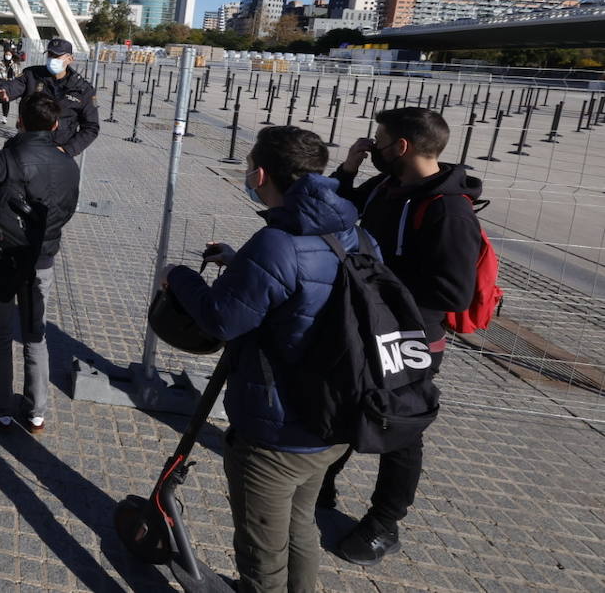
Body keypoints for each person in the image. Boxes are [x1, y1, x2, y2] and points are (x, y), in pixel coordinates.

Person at [164, 126, 359, 593]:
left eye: (250, 165)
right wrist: (241, 264)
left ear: (262, 173)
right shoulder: (348, 229)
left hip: (278, 431)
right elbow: (306, 289)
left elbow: (221, 320)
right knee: (300, 528)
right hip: (331, 419)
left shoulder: (277, 241)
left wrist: (179, 277)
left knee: (262, 553)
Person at [321, 107, 482, 566]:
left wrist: (377, 279)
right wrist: (349, 168)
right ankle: (323, 484)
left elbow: (453, 290)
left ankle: (384, 523)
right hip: (366, 325)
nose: (375, 148)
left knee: (401, 427)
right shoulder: (388, 187)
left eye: (379, 141)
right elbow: (338, 207)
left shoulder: (449, 210)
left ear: (403, 147)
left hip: (412, 338)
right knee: (346, 402)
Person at [0, 93, 79, 432]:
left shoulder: (6, 158)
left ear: (20, 120)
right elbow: (67, 210)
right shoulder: (68, 163)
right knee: (35, 334)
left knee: (0, 334)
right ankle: (36, 409)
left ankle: (0, 406)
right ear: (56, 125)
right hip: (42, 259)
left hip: (3, 258)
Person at [0, 37, 99, 157]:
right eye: (50, 55)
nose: (52, 59)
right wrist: (2, 91)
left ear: (70, 59)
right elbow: (13, 85)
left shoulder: (82, 89)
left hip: (58, 152)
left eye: (57, 56)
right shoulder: (32, 75)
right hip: (27, 146)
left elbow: (91, 127)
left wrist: (68, 150)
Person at [0, 49, 17, 127]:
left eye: (9, 54)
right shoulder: (0, 63)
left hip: (11, 84)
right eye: (6, 54)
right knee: (4, 100)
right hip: (2, 83)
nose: (8, 56)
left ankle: (5, 116)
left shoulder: (14, 64)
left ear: (12, 55)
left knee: (7, 100)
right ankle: (4, 116)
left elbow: (17, 74)